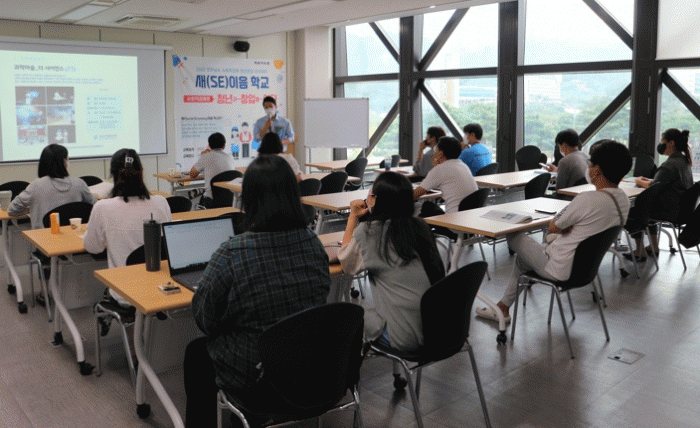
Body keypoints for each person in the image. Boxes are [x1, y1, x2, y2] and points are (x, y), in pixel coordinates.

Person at [184, 155, 330, 428]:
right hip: (309, 364)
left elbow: (205, 320)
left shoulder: (232, 252)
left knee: (197, 352)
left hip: (258, 372)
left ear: (248, 199)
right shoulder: (313, 243)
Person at [476, 140, 632, 323]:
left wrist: (565, 226)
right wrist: (568, 226)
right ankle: (502, 308)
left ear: (596, 170)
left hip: (559, 267)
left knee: (513, 234)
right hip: (584, 272)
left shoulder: (588, 199)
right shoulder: (623, 200)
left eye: (590, 164)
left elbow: (553, 226)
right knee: (523, 260)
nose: (588, 168)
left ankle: (502, 310)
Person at [338, 171, 444, 351]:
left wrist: (353, 216)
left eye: (371, 194)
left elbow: (347, 263)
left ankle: (350, 368)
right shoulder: (420, 226)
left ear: (376, 200)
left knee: (344, 317)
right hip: (439, 330)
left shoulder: (369, 231)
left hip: (406, 337)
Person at [83, 149, 172, 307]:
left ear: (112, 174)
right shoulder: (161, 202)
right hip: (162, 289)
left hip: (126, 294)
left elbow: (93, 248)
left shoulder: (102, 207)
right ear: (141, 172)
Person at [625, 128, 694, 261]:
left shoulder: (670, 164)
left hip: (668, 210)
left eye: (662, 141)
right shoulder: (684, 161)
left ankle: (640, 251)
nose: (661, 144)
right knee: (649, 206)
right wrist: (650, 181)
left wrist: (639, 181)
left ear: (671, 143)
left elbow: (653, 188)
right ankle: (653, 247)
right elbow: (664, 182)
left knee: (632, 212)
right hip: (680, 209)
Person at [8, 144, 96, 229]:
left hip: (42, 237)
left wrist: (29, 210)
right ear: (64, 162)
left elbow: (12, 210)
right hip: (72, 235)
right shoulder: (79, 184)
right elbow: (96, 207)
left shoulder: (36, 185)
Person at [414, 136, 479, 216]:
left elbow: (415, 194)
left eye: (436, 150)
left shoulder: (440, 169)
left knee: (426, 206)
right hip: (470, 217)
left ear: (441, 153)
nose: (434, 153)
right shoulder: (463, 165)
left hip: (453, 220)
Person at [189, 132, 236, 208]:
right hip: (230, 200)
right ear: (224, 145)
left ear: (209, 146)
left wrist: (202, 156)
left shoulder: (205, 157)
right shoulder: (230, 157)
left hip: (211, 201)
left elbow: (192, 174)